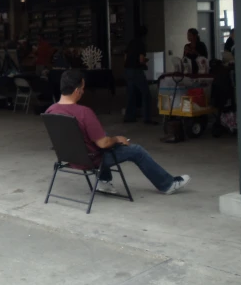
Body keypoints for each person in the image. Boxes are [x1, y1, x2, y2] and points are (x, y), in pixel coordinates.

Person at [45, 69, 190, 195]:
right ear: (77, 91)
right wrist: (117, 139)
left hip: (70, 158)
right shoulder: (84, 113)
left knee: (100, 137)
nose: (83, 91)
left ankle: (103, 181)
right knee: (135, 150)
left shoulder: (50, 111)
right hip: (91, 160)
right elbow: (103, 144)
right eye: (82, 88)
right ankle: (167, 184)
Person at [124, 25, 154, 124]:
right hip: (136, 70)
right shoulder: (141, 44)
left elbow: (125, 57)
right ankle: (147, 118)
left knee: (131, 94)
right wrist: (145, 61)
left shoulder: (131, 42)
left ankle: (129, 117)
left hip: (128, 69)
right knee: (146, 94)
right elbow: (141, 60)